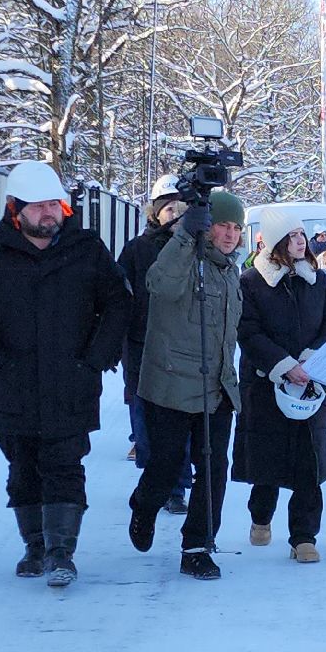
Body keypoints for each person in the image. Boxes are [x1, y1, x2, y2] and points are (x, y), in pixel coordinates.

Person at [0, 161, 128, 588]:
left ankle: (62, 551)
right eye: (41, 206)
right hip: (13, 384)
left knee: (65, 464)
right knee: (23, 466)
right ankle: (34, 546)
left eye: (56, 205)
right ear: (16, 208)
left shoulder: (85, 248)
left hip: (72, 381)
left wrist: (97, 357)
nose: (51, 214)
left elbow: (119, 302)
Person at [129, 187, 246, 580]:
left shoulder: (231, 271)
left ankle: (197, 546)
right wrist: (184, 236)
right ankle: (144, 505)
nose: (230, 235)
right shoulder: (183, 257)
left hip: (217, 388)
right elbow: (160, 285)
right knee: (164, 466)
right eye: (222, 226)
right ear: (205, 227)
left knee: (213, 469)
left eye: (236, 227)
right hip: (172, 385)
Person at [235, 207, 326, 561]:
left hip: (312, 385)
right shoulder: (251, 282)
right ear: (277, 243)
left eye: (302, 235)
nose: (302, 242)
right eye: (293, 237)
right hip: (265, 385)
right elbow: (248, 331)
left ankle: (304, 536)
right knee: (267, 457)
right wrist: (283, 365)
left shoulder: (319, 280)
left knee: (309, 460)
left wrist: (312, 360)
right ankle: (261, 516)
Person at [115, 174, 194, 513]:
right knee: (145, 427)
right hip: (143, 352)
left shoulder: (196, 249)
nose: (176, 216)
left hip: (184, 353)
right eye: (170, 209)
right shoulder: (136, 250)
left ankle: (176, 488)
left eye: (182, 209)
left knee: (180, 426)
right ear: (157, 212)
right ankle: (154, 482)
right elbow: (118, 297)